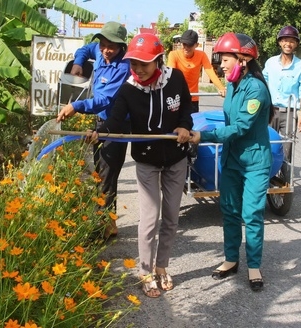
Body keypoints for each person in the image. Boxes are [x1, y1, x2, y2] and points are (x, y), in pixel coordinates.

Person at [86, 33, 193, 298]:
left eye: (144, 64)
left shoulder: (176, 79)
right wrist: (101, 131)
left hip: (176, 158)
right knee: (149, 219)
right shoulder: (129, 88)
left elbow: (186, 112)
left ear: (158, 60)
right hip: (146, 160)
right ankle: (145, 271)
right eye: (134, 64)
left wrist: (184, 126)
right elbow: (115, 119)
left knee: (170, 217)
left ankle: (161, 267)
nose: (138, 70)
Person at [190, 32, 273, 292]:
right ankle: (231, 259)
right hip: (232, 159)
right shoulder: (233, 85)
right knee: (229, 210)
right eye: (221, 59)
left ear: (244, 59)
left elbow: (239, 127)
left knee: (252, 214)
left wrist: (202, 136)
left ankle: (254, 266)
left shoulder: (256, 89)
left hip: (255, 161)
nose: (221, 65)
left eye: (226, 59)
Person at [56, 21, 130, 239]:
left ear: (121, 48)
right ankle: (109, 222)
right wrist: (78, 63)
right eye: (104, 44)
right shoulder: (98, 50)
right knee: (99, 172)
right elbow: (85, 49)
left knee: (107, 174)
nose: (106, 50)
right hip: (100, 121)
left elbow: (103, 100)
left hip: (116, 125)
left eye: (112, 47)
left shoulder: (123, 68)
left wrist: (76, 106)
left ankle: (105, 227)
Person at [263, 25, 301, 159]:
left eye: (292, 41)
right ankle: (267, 175)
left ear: (296, 44)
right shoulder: (271, 62)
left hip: (289, 113)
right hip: (270, 111)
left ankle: (285, 177)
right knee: (266, 143)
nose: (288, 44)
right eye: (285, 40)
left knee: (287, 146)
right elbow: (262, 83)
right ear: (280, 42)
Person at [167, 29, 226, 113]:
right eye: (184, 44)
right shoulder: (174, 55)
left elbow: (209, 71)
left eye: (190, 45)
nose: (186, 48)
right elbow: (170, 74)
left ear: (196, 45)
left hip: (193, 98)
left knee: (193, 123)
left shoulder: (201, 55)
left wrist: (221, 88)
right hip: (177, 97)